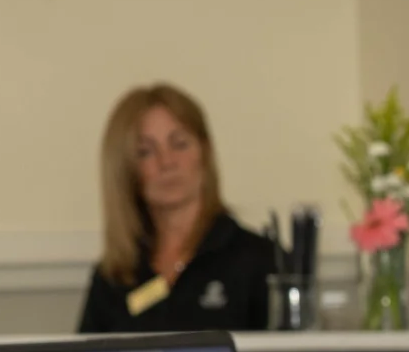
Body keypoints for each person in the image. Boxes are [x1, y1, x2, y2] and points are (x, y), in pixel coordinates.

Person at [78, 83, 275, 333]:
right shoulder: (114, 276)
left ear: (204, 153)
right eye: (146, 152)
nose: (167, 162)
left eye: (180, 144)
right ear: (126, 170)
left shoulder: (259, 261)